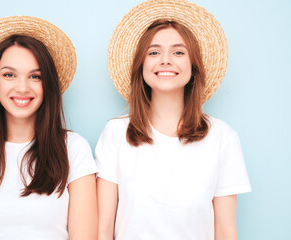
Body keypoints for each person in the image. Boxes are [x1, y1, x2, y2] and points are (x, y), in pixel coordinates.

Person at [96, 0, 252, 239]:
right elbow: (103, 228)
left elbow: (226, 229)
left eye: (178, 52)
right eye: (154, 52)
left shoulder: (222, 137)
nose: (165, 60)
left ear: (193, 67)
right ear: (141, 65)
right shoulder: (116, 133)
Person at [0, 16, 98, 240]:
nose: (22, 87)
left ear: (47, 86)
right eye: (9, 75)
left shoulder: (73, 149)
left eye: (35, 76)